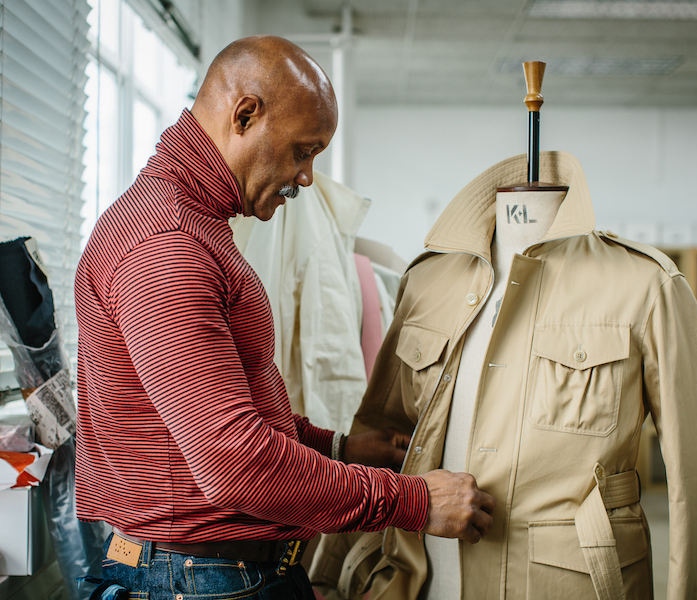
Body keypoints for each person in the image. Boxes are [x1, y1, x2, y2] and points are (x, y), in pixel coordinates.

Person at [73, 35, 495, 600]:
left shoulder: (188, 225)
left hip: (206, 575)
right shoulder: (168, 248)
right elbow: (234, 459)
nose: (307, 178)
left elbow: (219, 414)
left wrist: (338, 448)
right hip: (203, 580)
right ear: (244, 115)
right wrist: (415, 502)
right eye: (302, 151)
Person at [309, 151, 697, 599]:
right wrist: (334, 570)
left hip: (570, 586)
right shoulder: (429, 279)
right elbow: (379, 436)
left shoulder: (644, 284)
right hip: (419, 579)